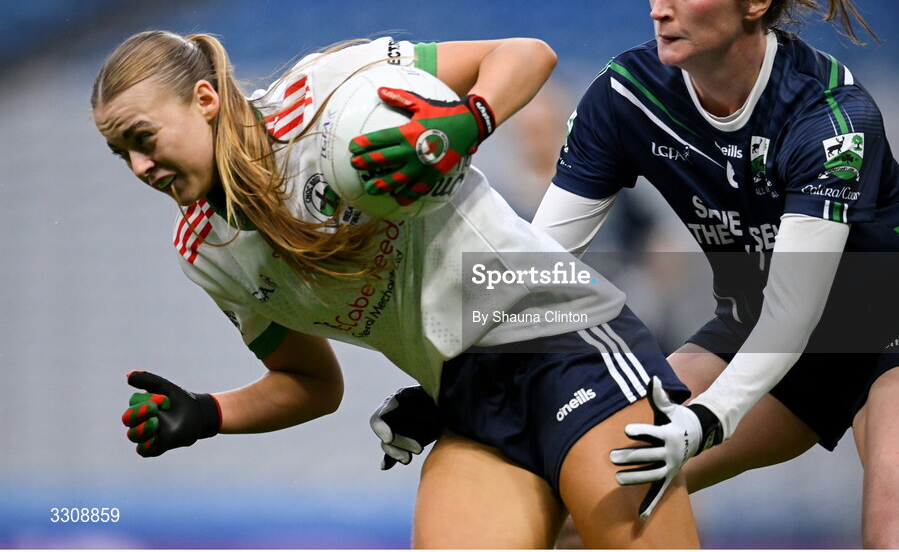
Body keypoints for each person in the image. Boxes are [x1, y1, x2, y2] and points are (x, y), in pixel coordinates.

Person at [371, 0, 899, 548]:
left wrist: (705, 420)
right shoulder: (624, 98)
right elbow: (536, 264)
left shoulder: (828, 121)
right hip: (752, 328)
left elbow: (793, 313)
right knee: (596, 494)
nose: (659, 9)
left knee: (898, 537)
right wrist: (446, 383)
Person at [92, 30, 701, 548]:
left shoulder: (324, 95)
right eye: (121, 153)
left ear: (204, 99)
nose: (139, 167)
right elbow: (312, 384)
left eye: (143, 138)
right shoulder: (208, 255)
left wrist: (470, 120)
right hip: (464, 400)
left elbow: (527, 54)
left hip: (564, 350)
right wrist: (208, 412)